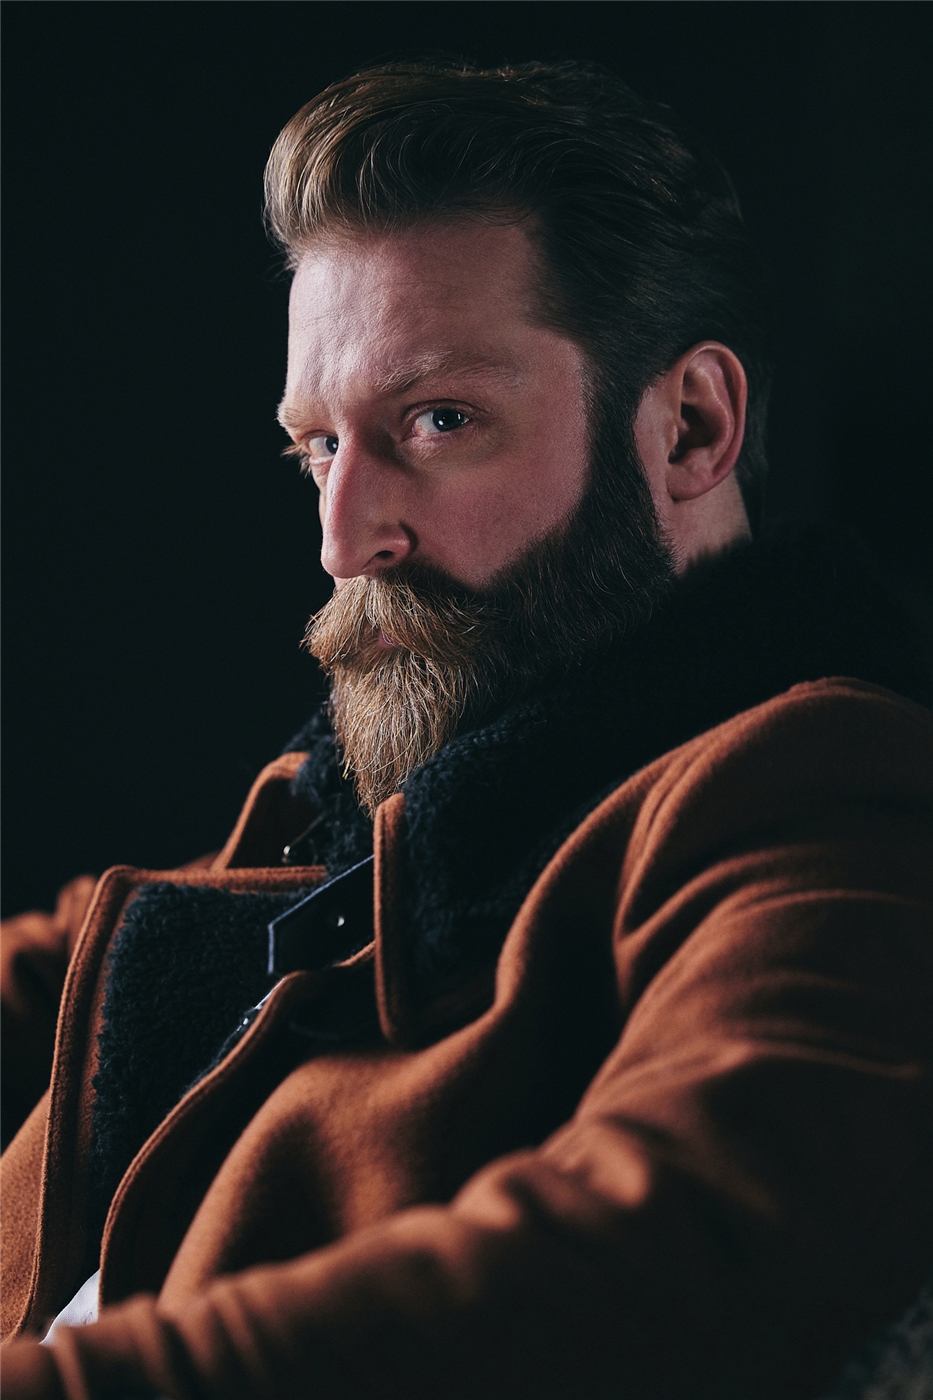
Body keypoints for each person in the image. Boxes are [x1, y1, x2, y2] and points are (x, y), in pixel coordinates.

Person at [2, 60, 932, 1400]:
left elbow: (676, 1248)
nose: (344, 541)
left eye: (437, 421)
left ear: (691, 427)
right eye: (319, 447)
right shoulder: (351, 807)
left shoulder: (820, 793)